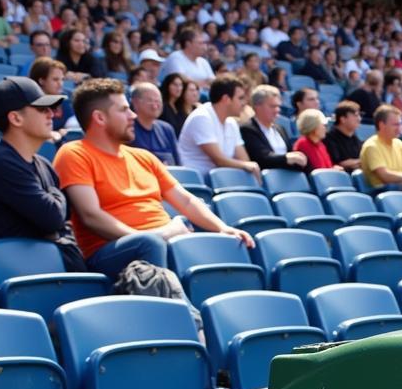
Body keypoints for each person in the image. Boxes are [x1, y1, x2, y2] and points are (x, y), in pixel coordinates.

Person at [53, 78, 253, 280]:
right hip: (112, 250)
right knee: (151, 244)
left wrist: (223, 228)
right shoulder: (74, 153)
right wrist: (155, 236)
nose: (132, 115)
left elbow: (186, 200)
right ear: (100, 118)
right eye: (123, 110)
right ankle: (183, 312)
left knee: (224, 243)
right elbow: (91, 216)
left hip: (163, 239)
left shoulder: (143, 157)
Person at [0, 76, 85, 271]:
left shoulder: (42, 163)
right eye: (42, 109)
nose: (52, 114)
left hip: (50, 265)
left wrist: (54, 205)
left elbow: (63, 218)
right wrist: (55, 195)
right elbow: (52, 218)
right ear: (15, 118)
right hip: (19, 269)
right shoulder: (0, 163)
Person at [177, 74, 260, 178]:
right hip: (197, 182)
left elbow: (244, 159)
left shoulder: (231, 122)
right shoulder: (202, 117)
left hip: (221, 180)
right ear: (226, 99)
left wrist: (249, 166)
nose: (244, 103)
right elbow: (219, 161)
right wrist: (248, 166)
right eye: (240, 98)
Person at [240, 84, 308, 170]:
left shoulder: (280, 129)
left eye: (278, 106)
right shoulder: (248, 130)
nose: (277, 110)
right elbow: (261, 158)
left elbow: (291, 154)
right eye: (272, 106)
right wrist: (287, 158)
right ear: (257, 106)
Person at [129, 82, 179, 165]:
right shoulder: (128, 128)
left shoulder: (167, 129)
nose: (155, 106)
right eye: (150, 101)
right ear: (135, 103)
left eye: (158, 101)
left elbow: (178, 164)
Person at [324, 100, 363, 172]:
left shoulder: (354, 138)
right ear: (343, 119)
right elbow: (339, 163)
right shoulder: (329, 138)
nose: (359, 119)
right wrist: (362, 162)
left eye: (359, 115)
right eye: (355, 115)